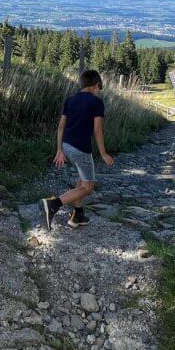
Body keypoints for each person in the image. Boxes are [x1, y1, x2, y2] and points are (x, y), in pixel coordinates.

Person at [41, 69, 115, 230]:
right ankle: (53, 204)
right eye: (99, 88)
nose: (99, 91)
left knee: (82, 180)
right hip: (81, 148)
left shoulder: (70, 100)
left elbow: (61, 126)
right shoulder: (96, 103)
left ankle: (78, 215)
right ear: (97, 84)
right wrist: (103, 153)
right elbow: (97, 130)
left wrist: (59, 150)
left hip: (67, 145)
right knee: (88, 187)